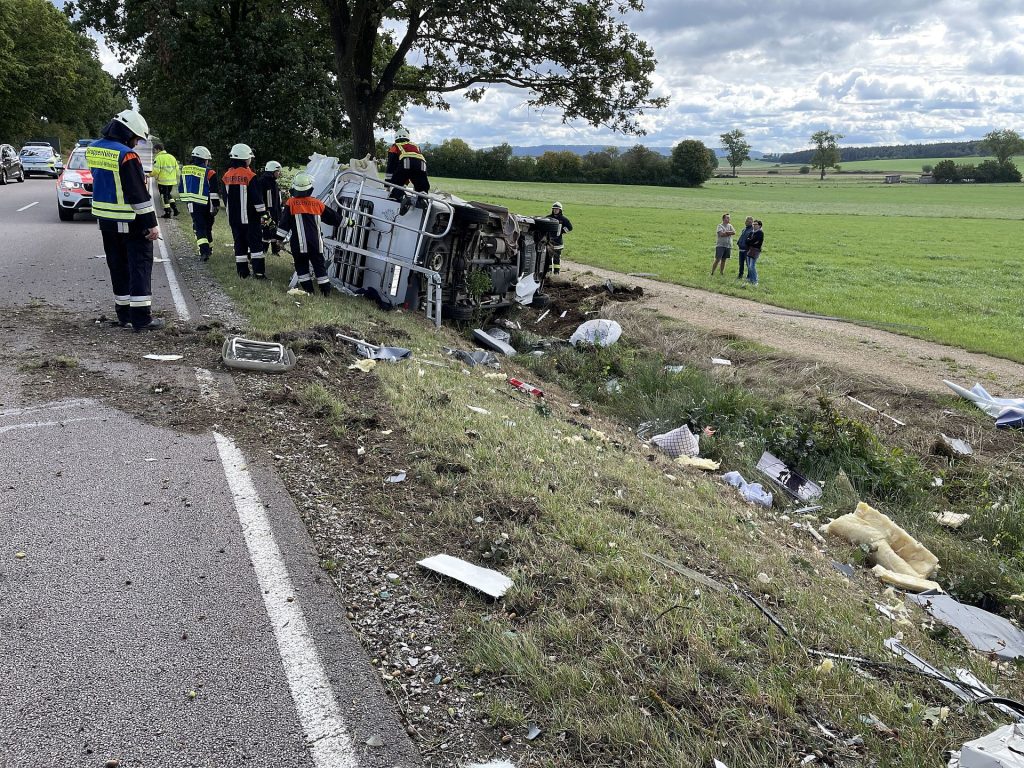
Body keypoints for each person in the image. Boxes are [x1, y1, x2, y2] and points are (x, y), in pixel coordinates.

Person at [85, 109, 163, 331]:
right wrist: (151, 224)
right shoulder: (126, 155)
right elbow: (137, 193)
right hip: (131, 220)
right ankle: (141, 319)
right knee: (139, 266)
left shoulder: (94, 149)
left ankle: (124, 315)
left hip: (106, 220)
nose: (136, 144)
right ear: (127, 133)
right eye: (136, 138)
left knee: (117, 266)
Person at [273, 172, 342, 296]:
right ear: (309, 189)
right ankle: (326, 293)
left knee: (301, 267)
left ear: (295, 189)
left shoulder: (291, 203)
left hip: (298, 245)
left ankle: (309, 291)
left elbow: (284, 224)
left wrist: (278, 239)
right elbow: (333, 217)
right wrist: (349, 222)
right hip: (316, 244)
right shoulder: (317, 203)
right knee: (319, 267)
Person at [221, 143, 267, 278]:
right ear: (245, 159)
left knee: (239, 244)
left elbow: (225, 197)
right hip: (250, 219)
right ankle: (259, 273)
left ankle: (242, 273)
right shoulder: (250, 176)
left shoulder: (226, 176)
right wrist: (264, 214)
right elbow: (257, 199)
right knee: (256, 246)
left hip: (234, 219)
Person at [177, 145, 220, 261]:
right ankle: (207, 250)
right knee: (208, 226)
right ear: (205, 159)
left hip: (192, 203)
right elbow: (214, 191)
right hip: (206, 203)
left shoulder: (185, 170)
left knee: (199, 227)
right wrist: (216, 205)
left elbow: (181, 187)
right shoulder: (210, 172)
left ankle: (204, 251)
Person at [384, 127, 429, 213]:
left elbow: (391, 165)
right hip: (422, 164)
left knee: (396, 184)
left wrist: (387, 183)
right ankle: (423, 198)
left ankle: (403, 197)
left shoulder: (395, 146)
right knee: (421, 186)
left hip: (407, 161)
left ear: (396, 138)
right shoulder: (416, 146)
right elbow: (412, 169)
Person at [255, 160, 284, 255]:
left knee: (274, 230)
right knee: (266, 231)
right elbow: (260, 198)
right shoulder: (262, 182)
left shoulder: (273, 182)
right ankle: (264, 250)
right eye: (278, 171)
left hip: (274, 211)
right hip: (265, 212)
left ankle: (275, 251)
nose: (279, 173)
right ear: (272, 171)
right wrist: (265, 213)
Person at [150, 141, 179, 218]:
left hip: (163, 181)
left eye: (155, 150)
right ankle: (175, 210)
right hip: (172, 181)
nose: (154, 152)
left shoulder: (158, 158)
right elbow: (177, 168)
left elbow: (156, 171)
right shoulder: (172, 157)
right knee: (168, 194)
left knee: (164, 196)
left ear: (158, 150)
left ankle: (168, 212)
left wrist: (149, 175)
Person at [547, 202, 573, 276]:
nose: (555, 210)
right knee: (548, 258)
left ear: (560, 210)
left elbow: (570, 227)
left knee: (556, 259)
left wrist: (562, 231)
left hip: (558, 242)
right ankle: (548, 272)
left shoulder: (563, 219)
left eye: (557, 209)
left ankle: (556, 273)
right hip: (549, 242)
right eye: (554, 209)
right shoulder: (548, 218)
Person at [745, 220, 764, 286]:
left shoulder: (760, 233)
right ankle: (751, 280)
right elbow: (747, 241)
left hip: (755, 251)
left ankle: (755, 281)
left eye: (756, 224)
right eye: (753, 224)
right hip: (749, 250)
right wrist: (751, 241)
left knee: (752, 266)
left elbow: (757, 243)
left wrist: (750, 241)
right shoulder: (751, 232)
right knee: (749, 267)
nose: (754, 225)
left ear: (759, 226)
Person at [736, 216, 754, 280]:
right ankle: (740, 275)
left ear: (751, 222)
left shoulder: (752, 230)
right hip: (741, 249)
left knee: (748, 264)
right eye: (746, 221)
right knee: (741, 264)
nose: (746, 222)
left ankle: (749, 276)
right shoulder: (744, 229)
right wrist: (738, 243)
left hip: (747, 250)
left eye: (748, 221)